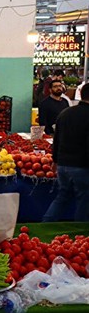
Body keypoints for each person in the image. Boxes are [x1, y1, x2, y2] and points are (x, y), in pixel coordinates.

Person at [43, 85, 89, 222]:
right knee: (84, 198)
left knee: (63, 196)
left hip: (63, 164)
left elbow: (56, 139)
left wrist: (55, 160)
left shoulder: (65, 112)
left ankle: (46, 223)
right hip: (82, 165)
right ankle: (80, 231)